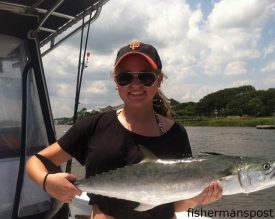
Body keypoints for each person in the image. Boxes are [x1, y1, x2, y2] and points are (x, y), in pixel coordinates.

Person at [26, 41, 223, 219]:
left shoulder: (176, 133)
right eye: (125, 78)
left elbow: (178, 205)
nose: (135, 84)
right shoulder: (92, 126)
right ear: (116, 83)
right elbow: (36, 162)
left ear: (159, 80)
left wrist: (198, 197)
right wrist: (47, 181)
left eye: (145, 77)